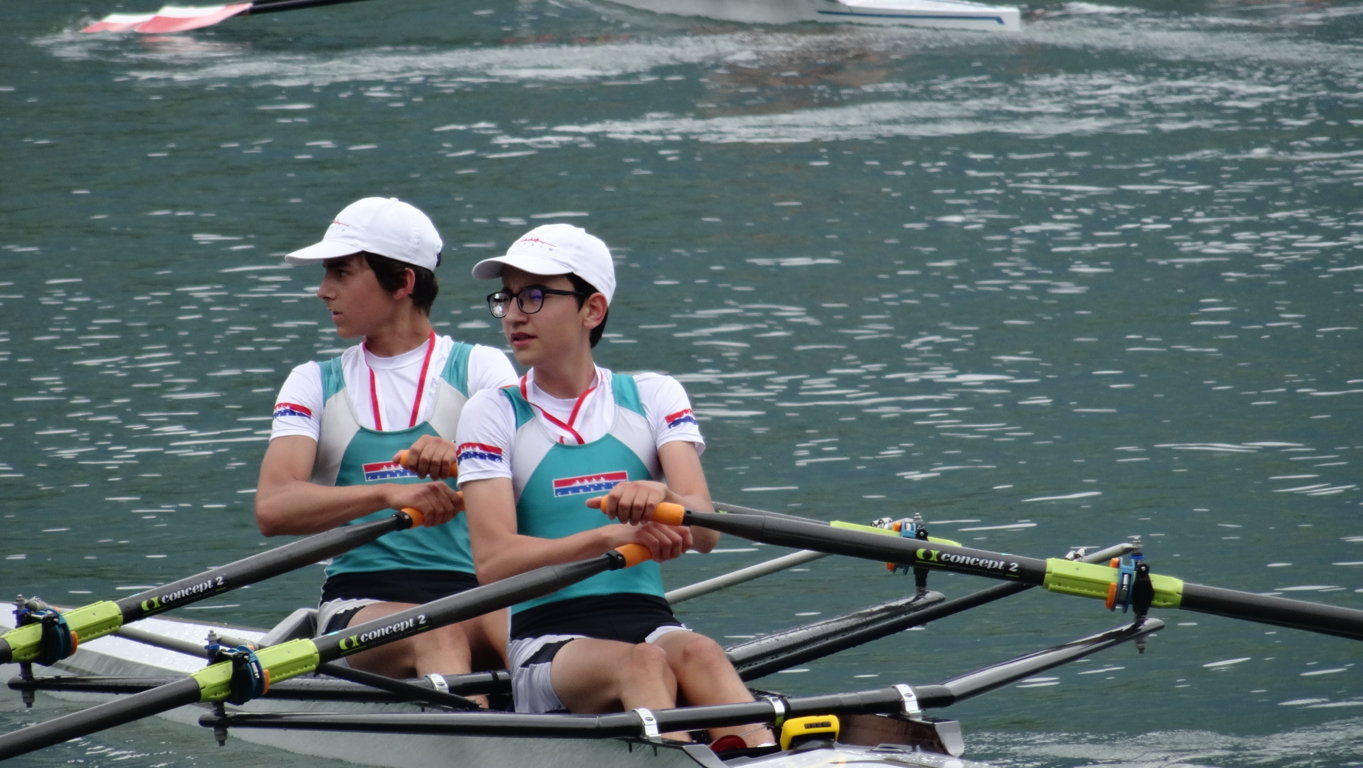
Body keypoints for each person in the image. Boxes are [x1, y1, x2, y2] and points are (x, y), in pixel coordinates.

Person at [454, 223, 774, 748]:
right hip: (546, 641)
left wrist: (666, 500)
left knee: (701, 651)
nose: (512, 314)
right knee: (641, 664)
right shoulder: (492, 412)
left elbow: (706, 532)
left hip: (650, 621)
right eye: (507, 297)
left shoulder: (653, 396)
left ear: (593, 309)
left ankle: (759, 753)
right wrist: (609, 538)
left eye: (533, 296)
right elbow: (493, 561)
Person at [255, 196, 517, 688]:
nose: (323, 290)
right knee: (436, 631)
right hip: (360, 603)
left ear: (402, 282)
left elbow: (529, 478)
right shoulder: (314, 383)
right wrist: (386, 493)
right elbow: (273, 507)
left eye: (341, 272)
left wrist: (466, 458)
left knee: (526, 628)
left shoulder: (481, 369)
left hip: (476, 591)